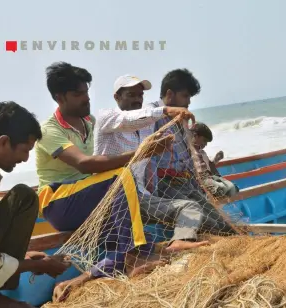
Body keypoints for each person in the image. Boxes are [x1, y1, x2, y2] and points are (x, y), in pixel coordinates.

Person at [34, 62, 171, 302]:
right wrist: (143, 153)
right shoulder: (49, 130)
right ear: (59, 97)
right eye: (78, 94)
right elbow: (86, 164)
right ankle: (136, 252)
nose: (86, 98)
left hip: (88, 198)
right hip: (59, 204)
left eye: (86, 91)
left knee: (119, 247)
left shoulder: (88, 122)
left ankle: (80, 279)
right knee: (122, 175)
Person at [94, 74, 226, 252]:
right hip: (115, 195)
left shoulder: (144, 130)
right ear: (116, 97)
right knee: (192, 209)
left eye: (140, 95)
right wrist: (166, 110)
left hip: (140, 194)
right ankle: (181, 241)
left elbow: (148, 166)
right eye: (131, 95)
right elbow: (129, 120)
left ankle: (185, 240)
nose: (137, 100)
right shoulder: (106, 117)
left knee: (210, 217)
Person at [0, 101, 71, 308]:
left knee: (22, 196)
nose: (25, 159)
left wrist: (27, 257)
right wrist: (36, 264)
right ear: (4, 142)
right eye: (25, 150)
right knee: (25, 197)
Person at [145, 69, 238, 234]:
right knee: (212, 226)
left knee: (224, 225)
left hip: (187, 183)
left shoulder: (181, 117)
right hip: (166, 185)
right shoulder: (151, 114)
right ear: (169, 94)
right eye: (185, 96)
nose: (188, 102)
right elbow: (147, 157)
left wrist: (198, 186)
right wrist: (153, 195)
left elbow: (187, 156)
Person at [190, 122, 239, 198]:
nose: (205, 144)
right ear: (195, 136)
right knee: (221, 189)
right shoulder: (188, 151)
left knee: (233, 188)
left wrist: (216, 159)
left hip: (210, 177)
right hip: (200, 179)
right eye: (204, 140)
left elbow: (210, 166)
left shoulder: (203, 153)